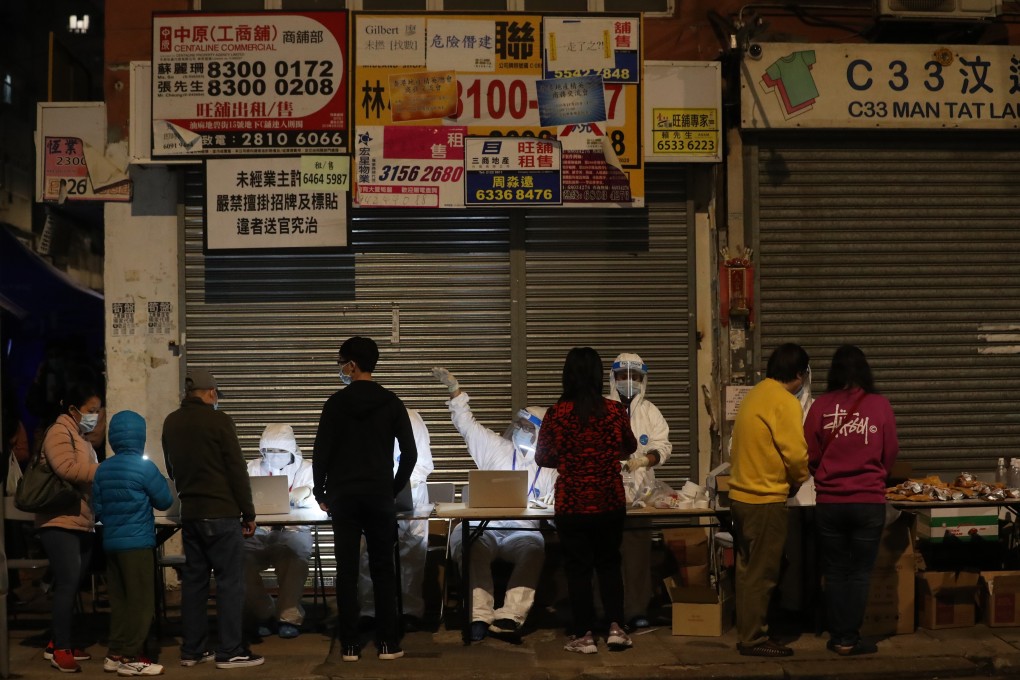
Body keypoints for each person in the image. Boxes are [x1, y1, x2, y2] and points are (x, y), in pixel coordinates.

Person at [313, 336, 417, 662]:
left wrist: (321, 491)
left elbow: (321, 454)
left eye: (341, 361)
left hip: (344, 497)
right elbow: (410, 454)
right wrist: (393, 488)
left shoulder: (335, 403)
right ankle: (388, 643)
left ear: (352, 365)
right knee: (383, 569)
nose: (340, 368)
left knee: (346, 571)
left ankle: (350, 645)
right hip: (378, 497)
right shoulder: (391, 402)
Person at [432, 366, 555, 642]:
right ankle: (479, 615)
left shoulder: (549, 467)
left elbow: (557, 504)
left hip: (522, 532)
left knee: (535, 549)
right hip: (485, 527)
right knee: (468, 545)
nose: (521, 431)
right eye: (520, 425)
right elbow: (466, 424)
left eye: (529, 428)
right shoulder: (497, 447)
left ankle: (512, 615)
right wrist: (455, 391)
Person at [535, 347, 637, 654]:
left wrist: (569, 456)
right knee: (608, 564)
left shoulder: (557, 414)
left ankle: (584, 635)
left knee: (577, 569)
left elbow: (542, 456)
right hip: (609, 502)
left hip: (573, 504)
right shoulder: (615, 410)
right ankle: (617, 628)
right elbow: (629, 446)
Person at [161, 367, 263, 669]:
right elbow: (236, 468)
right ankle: (230, 650)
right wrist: (249, 511)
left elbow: (170, 468)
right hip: (222, 513)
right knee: (230, 582)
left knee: (194, 582)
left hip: (191, 514)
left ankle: (192, 650)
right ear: (210, 393)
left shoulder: (171, 422)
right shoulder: (219, 421)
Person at [805, 345, 898, 656]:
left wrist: (825, 475)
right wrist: (875, 477)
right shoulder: (880, 405)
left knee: (834, 571)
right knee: (859, 572)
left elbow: (811, 452)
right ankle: (849, 638)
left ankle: (837, 635)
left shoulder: (819, 406)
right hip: (868, 501)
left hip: (829, 502)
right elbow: (890, 451)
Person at [728, 342, 811, 657]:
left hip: (741, 496)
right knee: (763, 573)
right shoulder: (784, 401)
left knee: (748, 571)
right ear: (799, 374)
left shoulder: (756, 393)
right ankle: (754, 639)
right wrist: (799, 478)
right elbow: (795, 453)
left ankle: (748, 631)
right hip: (764, 498)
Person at [92, 410, 174, 676]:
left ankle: (114, 653)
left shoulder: (103, 468)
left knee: (120, 601)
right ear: (139, 436)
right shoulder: (143, 467)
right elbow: (165, 501)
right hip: (137, 544)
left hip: (111, 543)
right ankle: (131, 657)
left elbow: (99, 508)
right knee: (141, 602)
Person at [35, 379, 102, 672]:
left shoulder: (80, 435)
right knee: (66, 583)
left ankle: (58, 642)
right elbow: (67, 469)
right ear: (73, 409)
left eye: (98, 410)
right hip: (59, 520)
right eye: (91, 410)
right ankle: (61, 648)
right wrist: (104, 470)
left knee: (73, 583)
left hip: (80, 520)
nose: (95, 415)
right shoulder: (59, 432)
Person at [606, 352, 672, 629]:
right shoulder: (602, 408)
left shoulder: (650, 412)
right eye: (623, 376)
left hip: (641, 498)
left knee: (637, 559)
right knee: (607, 558)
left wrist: (645, 459)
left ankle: (635, 610)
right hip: (606, 497)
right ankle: (606, 611)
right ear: (614, 378)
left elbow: (663, 446)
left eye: (635, 377)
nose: (629, 382)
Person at [357, 408, 434, 632]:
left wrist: (399, 486)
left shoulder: (412, 422)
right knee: (367, 554)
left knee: (411, 555)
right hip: (374, 497)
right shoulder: (367, 420)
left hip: (412, 498)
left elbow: (422, 465)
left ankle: (409, 611)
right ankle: (369, 611)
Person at [244, 424, 316, 640]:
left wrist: (307, 495)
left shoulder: (306, 469)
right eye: (269, 451)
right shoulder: (252, 468)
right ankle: (264, 612)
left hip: (293, 531)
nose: (273, 456)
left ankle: (288, 616)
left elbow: (320, 500)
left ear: (292, 450)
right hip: (259, 532)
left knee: (295, 559)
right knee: (238, 561)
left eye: (280, 451)